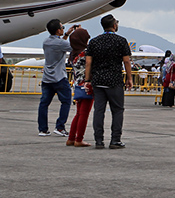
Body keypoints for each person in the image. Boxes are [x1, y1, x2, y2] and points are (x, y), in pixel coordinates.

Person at [84, 15, 133, 149]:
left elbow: (88, 62)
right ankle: (115, 140)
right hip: (114, 80)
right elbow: (126, 61)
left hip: (98, 80)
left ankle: (98, 141)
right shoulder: (121, 41)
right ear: (114, 25)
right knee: (117, 110)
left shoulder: (94, 42)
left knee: (99, 110)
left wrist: (87, 79)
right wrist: (129, 78)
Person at [38, 19, 77, 137]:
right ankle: (60, 127)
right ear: (58, 30)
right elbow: (74, 47)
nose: (64, 29)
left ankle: (43, 129)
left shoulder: (46, 42)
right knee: (66, 101)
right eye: (62, 27)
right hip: (59, 77)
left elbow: (60, 45)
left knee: (44, 103)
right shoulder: (61, 43)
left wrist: (66, 35)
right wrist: (76, 33)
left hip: (47, 78)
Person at [66, 27, 93, 147]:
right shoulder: (87, 52)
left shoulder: (72, 53)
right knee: (84, 114)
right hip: (87, 85)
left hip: (77, 84)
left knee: (78, 113)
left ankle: (71, 138)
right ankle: (79, 139)